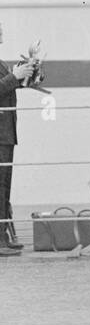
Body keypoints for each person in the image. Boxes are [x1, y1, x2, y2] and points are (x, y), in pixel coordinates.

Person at [0, 22, 37, 256]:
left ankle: (4, 236)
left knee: (3, 188)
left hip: (5, 133)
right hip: (1, 133)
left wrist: (27, 75)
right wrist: (14, 76)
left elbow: (8, 87)